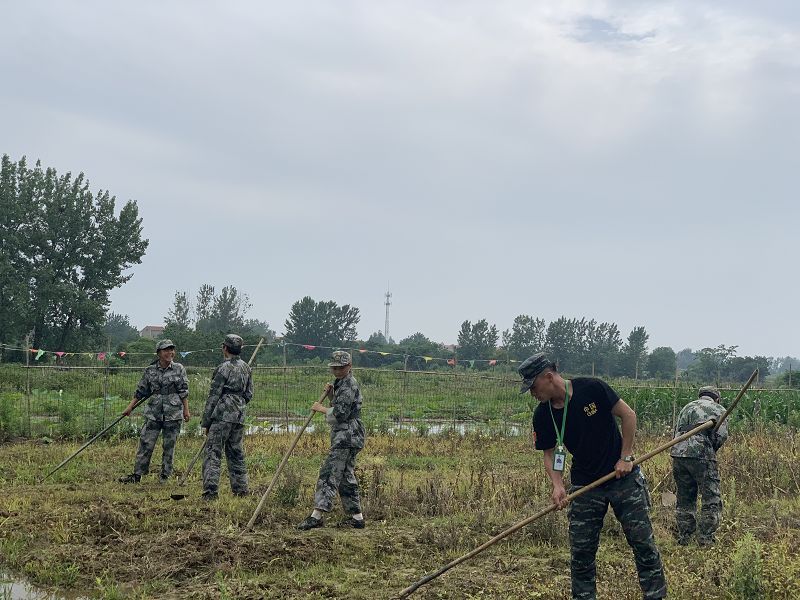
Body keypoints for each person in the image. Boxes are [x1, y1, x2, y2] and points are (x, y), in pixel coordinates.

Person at [522, 352, 666, 600]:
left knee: (643, 545)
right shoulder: (543, 414)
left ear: (548, 377)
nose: (533, 393)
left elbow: (628, 415)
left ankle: (655, 595)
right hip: (585, 486)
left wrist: (626, 457)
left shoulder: (592, 388)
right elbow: (549, 454)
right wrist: (557, 485)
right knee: (581, 554)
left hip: (623, 479)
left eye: (533, 387)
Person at [297, 350, 366, 530]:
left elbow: (341, 414)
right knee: (345, 476)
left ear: (349, 366)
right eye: (334, 368)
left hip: (347, 436)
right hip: (348, 435)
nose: (337, 371)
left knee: (329, 473)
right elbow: (340, 406)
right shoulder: (341, 383)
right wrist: (330, 397)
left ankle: (317, 515)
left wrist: (321, 408)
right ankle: (357, 518)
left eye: (341, 368)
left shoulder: (349, 384)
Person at [119, 339, 190, 483]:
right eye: (166, 350)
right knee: (146, 443)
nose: (169, 353)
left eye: (171, 350)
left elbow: (183, 391)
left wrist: (186, 411)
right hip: (153, 413)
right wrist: (130, 407)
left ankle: (165, 475)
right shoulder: (150, 370)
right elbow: (141, 391)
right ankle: (137, 475)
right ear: (159, 353)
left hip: (173, 413)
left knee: (169, 446)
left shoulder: (179, 368)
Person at [669, 385, 728, 546]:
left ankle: (685, 537)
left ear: (700, 396)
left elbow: (676, 431)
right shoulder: (718, 408)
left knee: (685, 497)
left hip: (678, 453)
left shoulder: (687, 407)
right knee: (711, 497)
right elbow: (721, 436)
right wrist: (710, 448)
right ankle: (706, 539)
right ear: (717, 398)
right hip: (701, 454)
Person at [201, 334, 253, 500]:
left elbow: (214, 395)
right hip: (239, 415)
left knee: (213, 452)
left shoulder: (222, 368)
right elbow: (249, 394)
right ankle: (241, 489)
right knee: (236, 452)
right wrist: (238, 403)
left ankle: (210, 492)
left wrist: (206, 421)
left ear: (225, 348)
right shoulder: (246, 368)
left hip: (222, 414)